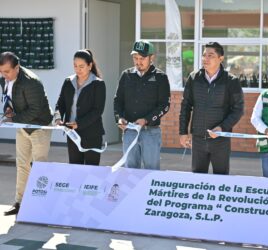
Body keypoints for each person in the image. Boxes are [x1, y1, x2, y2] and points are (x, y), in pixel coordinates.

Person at [0, 51, 52, 216]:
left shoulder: (31, 82)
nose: (4, 75)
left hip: (39, 127)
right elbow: (8, 97)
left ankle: (40, 205)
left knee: (39, 166)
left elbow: (36, 110)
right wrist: (8, 109)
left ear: (17, 67)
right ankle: (20, 203)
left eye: (7, 71)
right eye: (1, 71)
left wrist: (13, 120)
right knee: (22, 164)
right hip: (22, 125)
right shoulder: (5, 78)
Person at [179, 42, 244, 175]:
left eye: (210, 55)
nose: (205, 59)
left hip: (220, 140)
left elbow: (238, 109)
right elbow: (185, 106)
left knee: (221, 179)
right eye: (204, 55)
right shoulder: (194, 78)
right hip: (198, 139)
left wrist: (222, 128)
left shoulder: (231, 81)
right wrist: (183, 132)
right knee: (197, 179)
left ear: (221, 58)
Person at [114, 40, 170, 170]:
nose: (138, 62)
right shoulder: (126, 75)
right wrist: (119, 118)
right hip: (129, 131)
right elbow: (118, 100)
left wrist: (146, 120)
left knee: (152, 171)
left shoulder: (161, 77)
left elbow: (165, 105)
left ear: (152, 58)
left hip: (150, 132)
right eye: (135, 58)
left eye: (142, 58)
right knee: (130, 171)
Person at [54, 49, 106, 165]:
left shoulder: (98, 84)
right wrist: (57, 117)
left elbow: (98, 111)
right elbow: (60, 103)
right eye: (75, 66)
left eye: (81, 66)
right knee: (75, 169)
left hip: (92, 134)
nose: (78, 70)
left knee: (91, 171)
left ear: (90, 65)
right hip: (72, 133)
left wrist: (79, 124)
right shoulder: (68, 82)